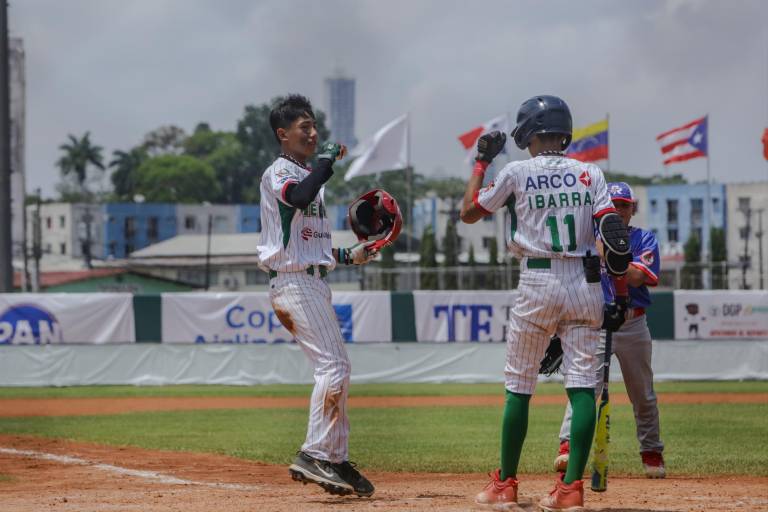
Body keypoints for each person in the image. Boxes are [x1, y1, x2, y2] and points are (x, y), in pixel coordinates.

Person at [460, 95, 631, 511]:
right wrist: (620, 292)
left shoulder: (517, 171)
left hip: (537, 278)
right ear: (564, 132)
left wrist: (481, 163)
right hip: (585, 280)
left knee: (519, 387)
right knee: (582, 388)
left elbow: (468, 212)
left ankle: (505, 485)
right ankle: (570, 490)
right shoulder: (591, 173)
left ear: (529, 134)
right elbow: (615, 238)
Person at [257, 94, 378, 498]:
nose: (312, 133)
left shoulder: (308, 177)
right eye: (303, 127)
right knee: (334, 366)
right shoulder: (279, 173)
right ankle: (314, 453)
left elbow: (310, 246)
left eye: (314, 126)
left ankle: (335, 458)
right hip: (293, 283)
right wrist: (326, 161)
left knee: (336, 367)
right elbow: (298, 197)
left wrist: (349, 254)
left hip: (308, 279)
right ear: (282, 134)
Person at [554, 181, 666, 478]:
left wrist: (608, 253)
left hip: (632, 323)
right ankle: (567, 447)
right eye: (612, 204)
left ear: (632, 210)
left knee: (642, 394)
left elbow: (639, 277)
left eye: (624, 205)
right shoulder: (585, 240)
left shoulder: (643, 238)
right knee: (584, 389)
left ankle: (651, 452)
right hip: (595, 323)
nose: (617, 210)